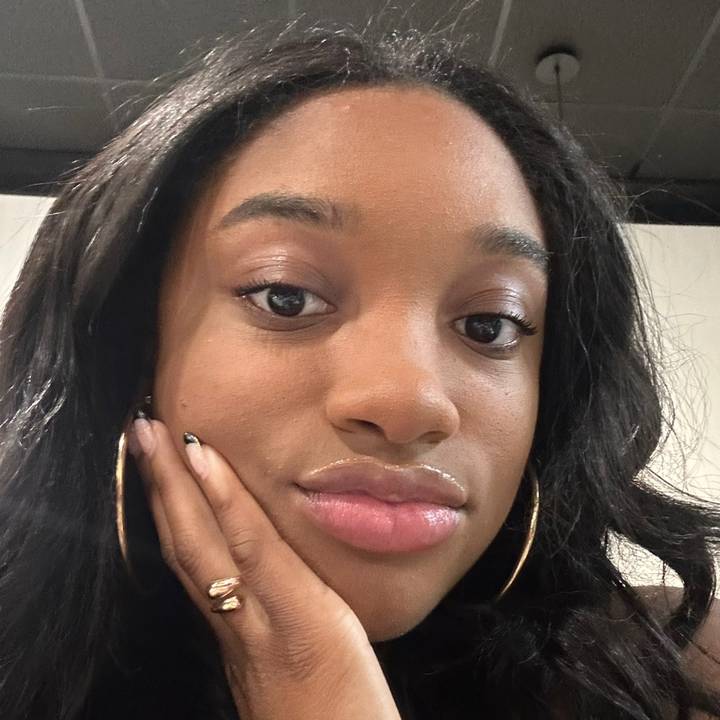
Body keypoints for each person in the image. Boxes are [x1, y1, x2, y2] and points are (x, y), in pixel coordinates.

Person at [0, 18, 718, 720]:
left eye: (489, 324)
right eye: (286, 296)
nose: (411, 402)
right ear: (132, 346)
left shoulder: (677, 674)